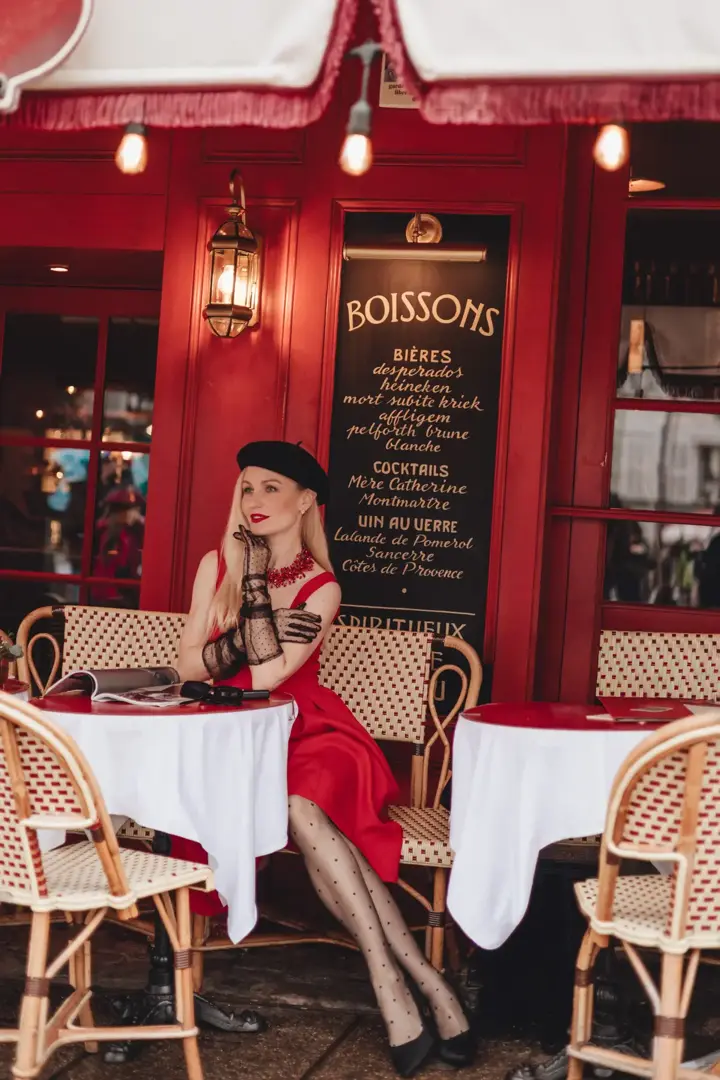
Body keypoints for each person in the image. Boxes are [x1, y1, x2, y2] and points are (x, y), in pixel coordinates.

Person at [176, 440, 474, 1077]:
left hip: (308, 732)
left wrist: (244, 607)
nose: (255, 501)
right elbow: (185, 666)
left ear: (306, 500)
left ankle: (388, 986)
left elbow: (264, 677)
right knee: (304, 821)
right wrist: (245, 588)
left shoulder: (322, 586)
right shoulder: (215, 564)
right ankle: (428, 982)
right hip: (232, 739)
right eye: (248, 488)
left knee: (298, 803)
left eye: (272, 488)